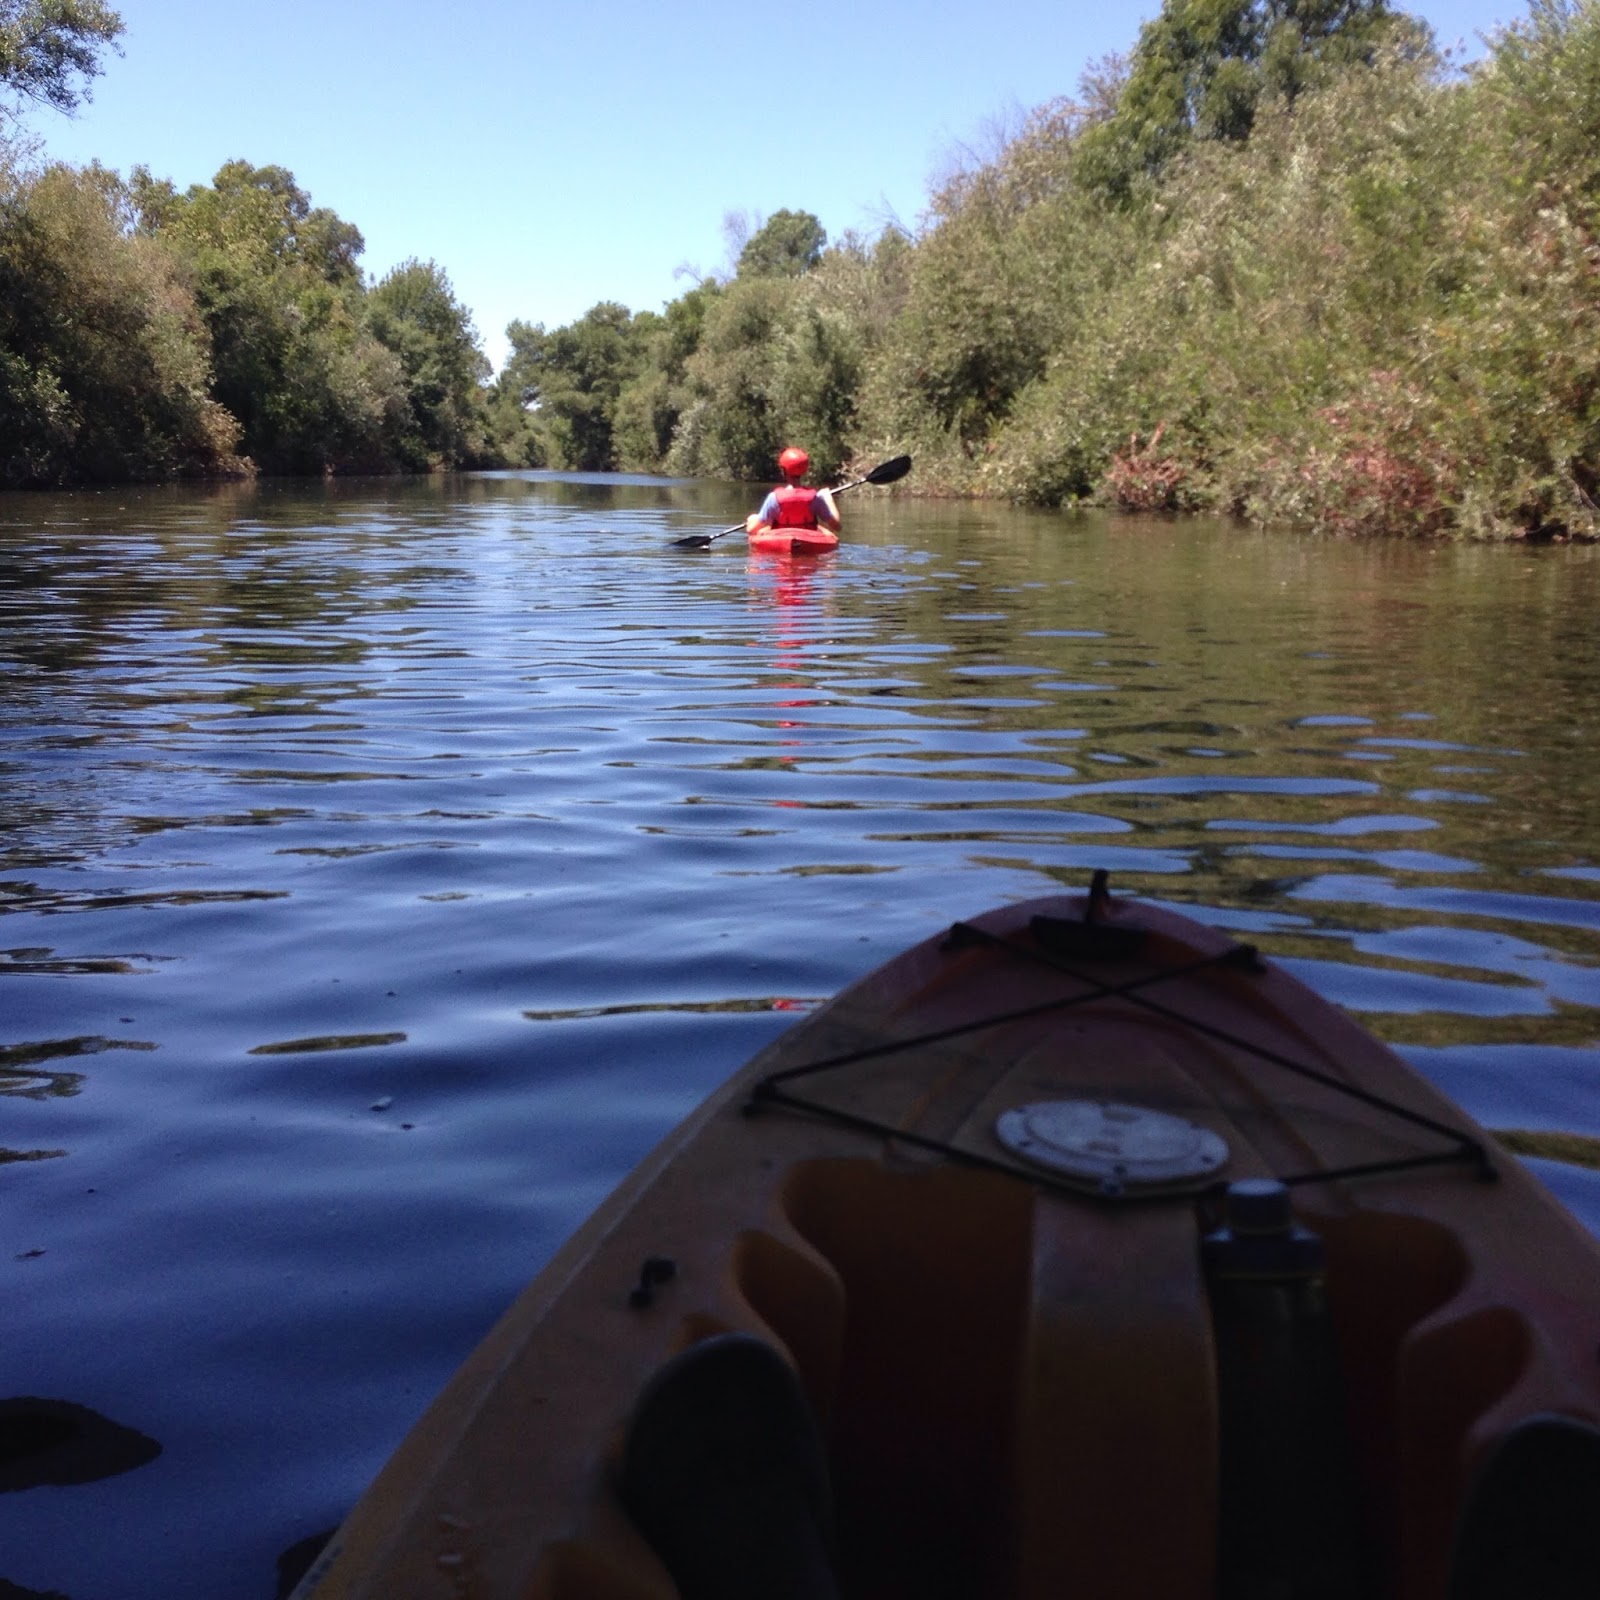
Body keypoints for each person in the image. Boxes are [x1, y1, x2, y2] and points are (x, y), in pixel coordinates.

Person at [745, 447, 841, 540]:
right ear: (805, 470)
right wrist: (828, 498)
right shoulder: (815, 498)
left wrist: (752, 519)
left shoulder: (774, 498)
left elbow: (751, 530)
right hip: (808, 539)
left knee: (753, 518)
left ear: (784, 471)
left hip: (780, 538)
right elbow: (836, 526)